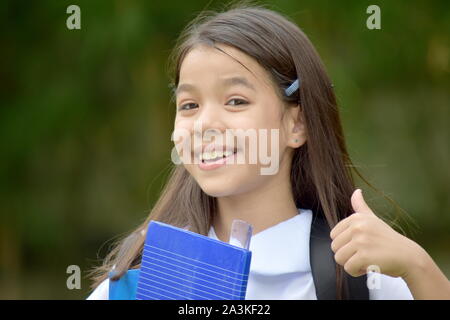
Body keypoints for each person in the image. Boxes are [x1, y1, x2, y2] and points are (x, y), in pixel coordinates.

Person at [87, 4, 450, 300]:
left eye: (236, 100)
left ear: (298, 124)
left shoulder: (358, 276)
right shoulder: (138, 283)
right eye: (189, 105)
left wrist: (418, 266)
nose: (204, 124)